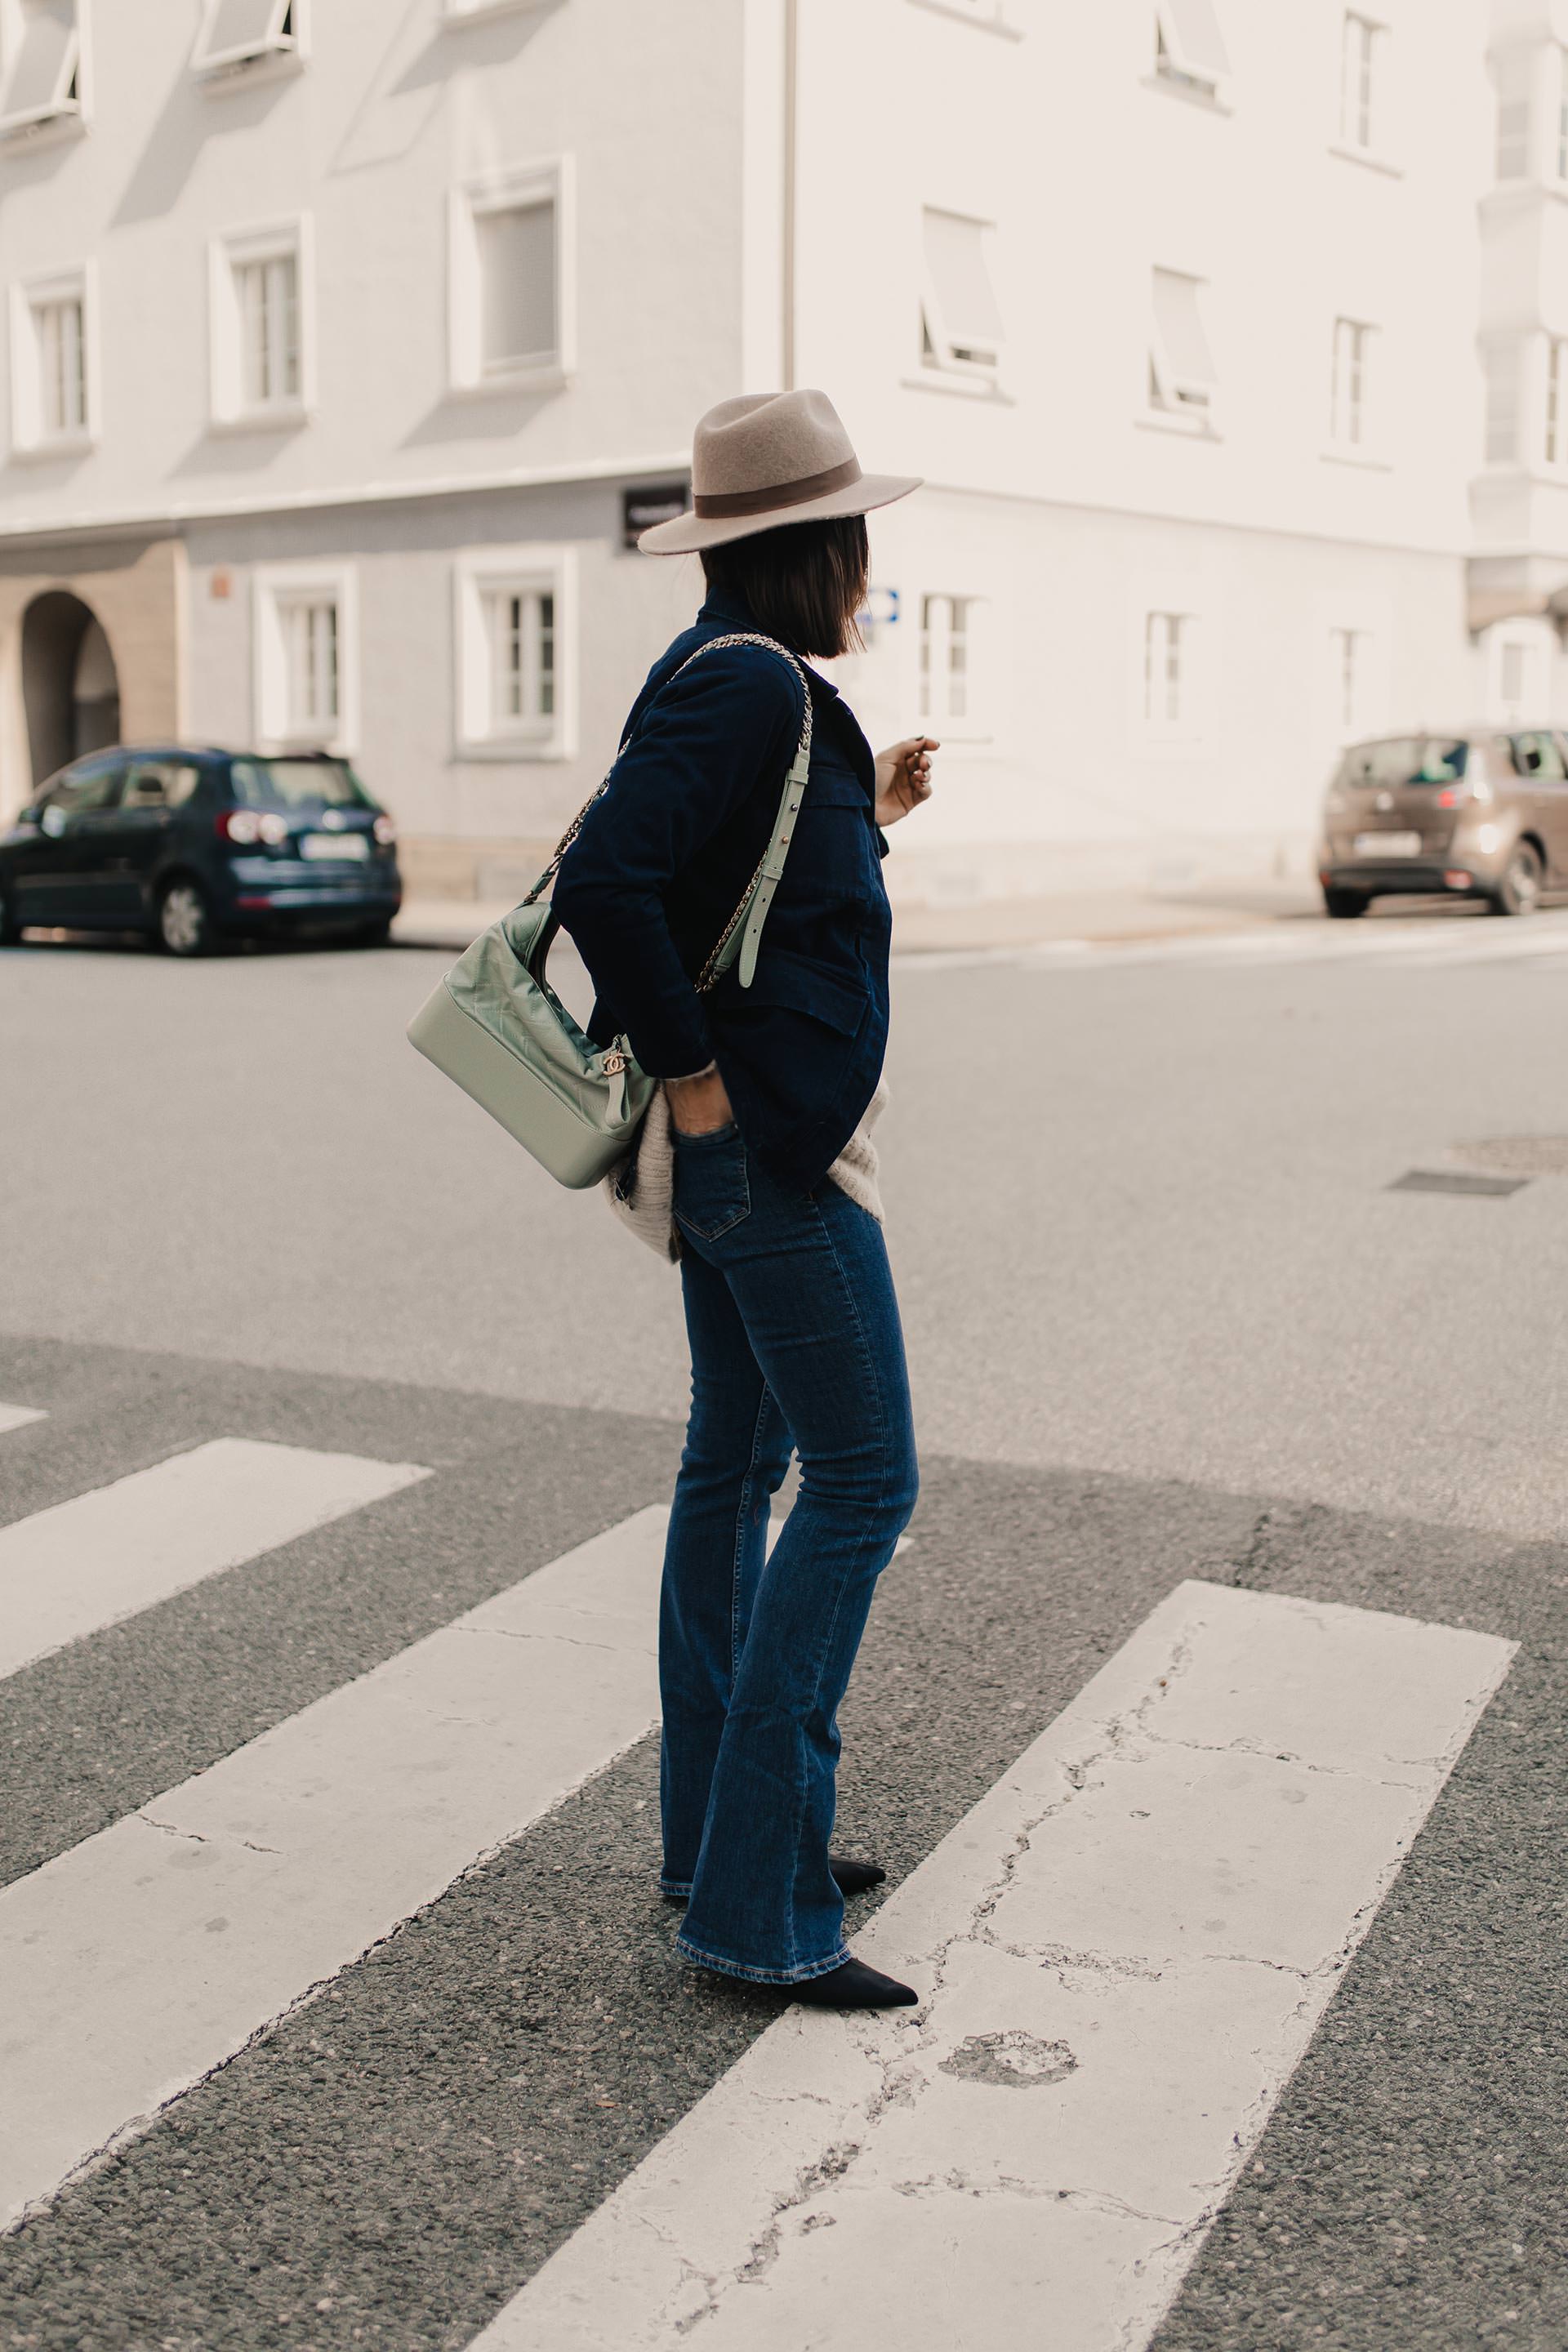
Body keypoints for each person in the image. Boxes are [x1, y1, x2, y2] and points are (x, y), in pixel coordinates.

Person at [553, 390, 936, 2009]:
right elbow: (608, 877)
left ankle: (717, 1834)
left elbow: (731, 885)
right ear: (812, 550)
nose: (873, 572)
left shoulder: (735, 683)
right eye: (858, 542)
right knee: (859, 1480)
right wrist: (700, 1081)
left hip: (744, 1140)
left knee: (738, 1464)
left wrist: (874, 818)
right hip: (763, 1148)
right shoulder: (756, 693)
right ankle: (760, 1904)